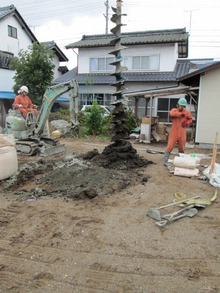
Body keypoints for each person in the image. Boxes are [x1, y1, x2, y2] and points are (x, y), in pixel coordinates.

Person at [164, 97, 192, 166]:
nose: (181, 107)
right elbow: (171, 114)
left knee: (182, 146)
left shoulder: (187, 112)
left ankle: (181, 161)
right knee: (170, 145)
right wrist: (180, 114)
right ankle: (165, 161)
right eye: (180, 105)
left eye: (183, 106)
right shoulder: (174, 110)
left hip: (182, 130)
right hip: (174, 130)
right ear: (178, 105)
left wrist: (186, 123)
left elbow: (190, 119)